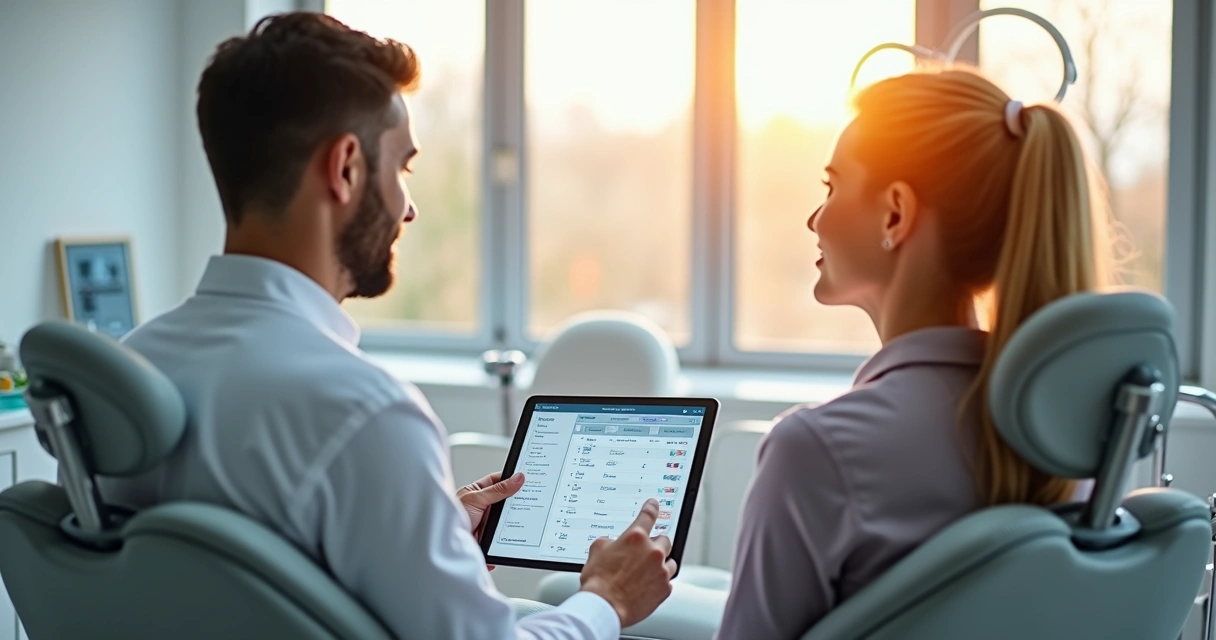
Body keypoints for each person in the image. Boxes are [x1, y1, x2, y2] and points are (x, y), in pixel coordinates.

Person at [96, 12, 676, 640]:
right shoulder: (365, 413)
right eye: (403, 167)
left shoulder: (131, 369)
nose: (409, 205)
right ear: (345, 168)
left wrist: (424, 525)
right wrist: (607, 599)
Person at [716, 66, 1115, 639]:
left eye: (831, 187)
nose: (815, 218)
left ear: (895, 214)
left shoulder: (816, 452)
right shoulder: (1074, 439)